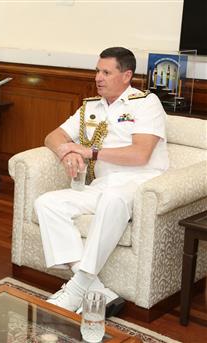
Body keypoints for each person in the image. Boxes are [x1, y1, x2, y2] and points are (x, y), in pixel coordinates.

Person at [34, 47, 169, 315]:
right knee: (47, 202)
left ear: (126, 75)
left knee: (113, 198)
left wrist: (88, 151)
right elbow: (53, 136)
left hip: (140, 184)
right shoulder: (90, 107)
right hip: (101, 185)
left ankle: (74, 291)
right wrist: (66, 153)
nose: (98, 77)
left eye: (106, 72)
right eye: (97, 70)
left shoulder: (145, 103)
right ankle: (96, 290)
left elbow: (141, 154)